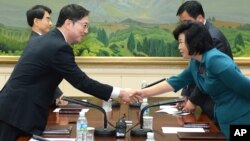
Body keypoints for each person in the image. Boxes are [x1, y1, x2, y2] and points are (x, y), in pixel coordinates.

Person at [0, 4, 138, 141]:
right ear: (68, 23)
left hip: (12, 110)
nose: (86, 30)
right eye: (84, 25)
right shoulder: (59, 47)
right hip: (17, 115)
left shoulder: (49, 40)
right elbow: (82, 82)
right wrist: (120, 93)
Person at [132, 20, 250, 139]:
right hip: (225, 117)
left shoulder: (216, 60)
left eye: (181, 42)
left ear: (193, 42)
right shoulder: (196, 62)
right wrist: (141, 93)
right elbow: (175, 82)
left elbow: (246, 87)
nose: (179, 47)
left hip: (242, 118)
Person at [175, 0, 233, 122]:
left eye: (187, 22)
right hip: (210, 103)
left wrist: (193, 100)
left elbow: (210, 78)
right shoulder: (196, 35)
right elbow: (194, 69)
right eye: (182, 23)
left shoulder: (213, 38)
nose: (184, 27)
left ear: (200, 18)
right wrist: (186, 94)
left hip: (221, 105)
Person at [26, 5, 67, 107]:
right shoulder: (36, 43)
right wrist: (56, 97)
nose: (51, 23)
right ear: (36, 21)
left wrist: (57, 95)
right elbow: (38, 77)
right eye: (47, 19)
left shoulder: (37, 41)